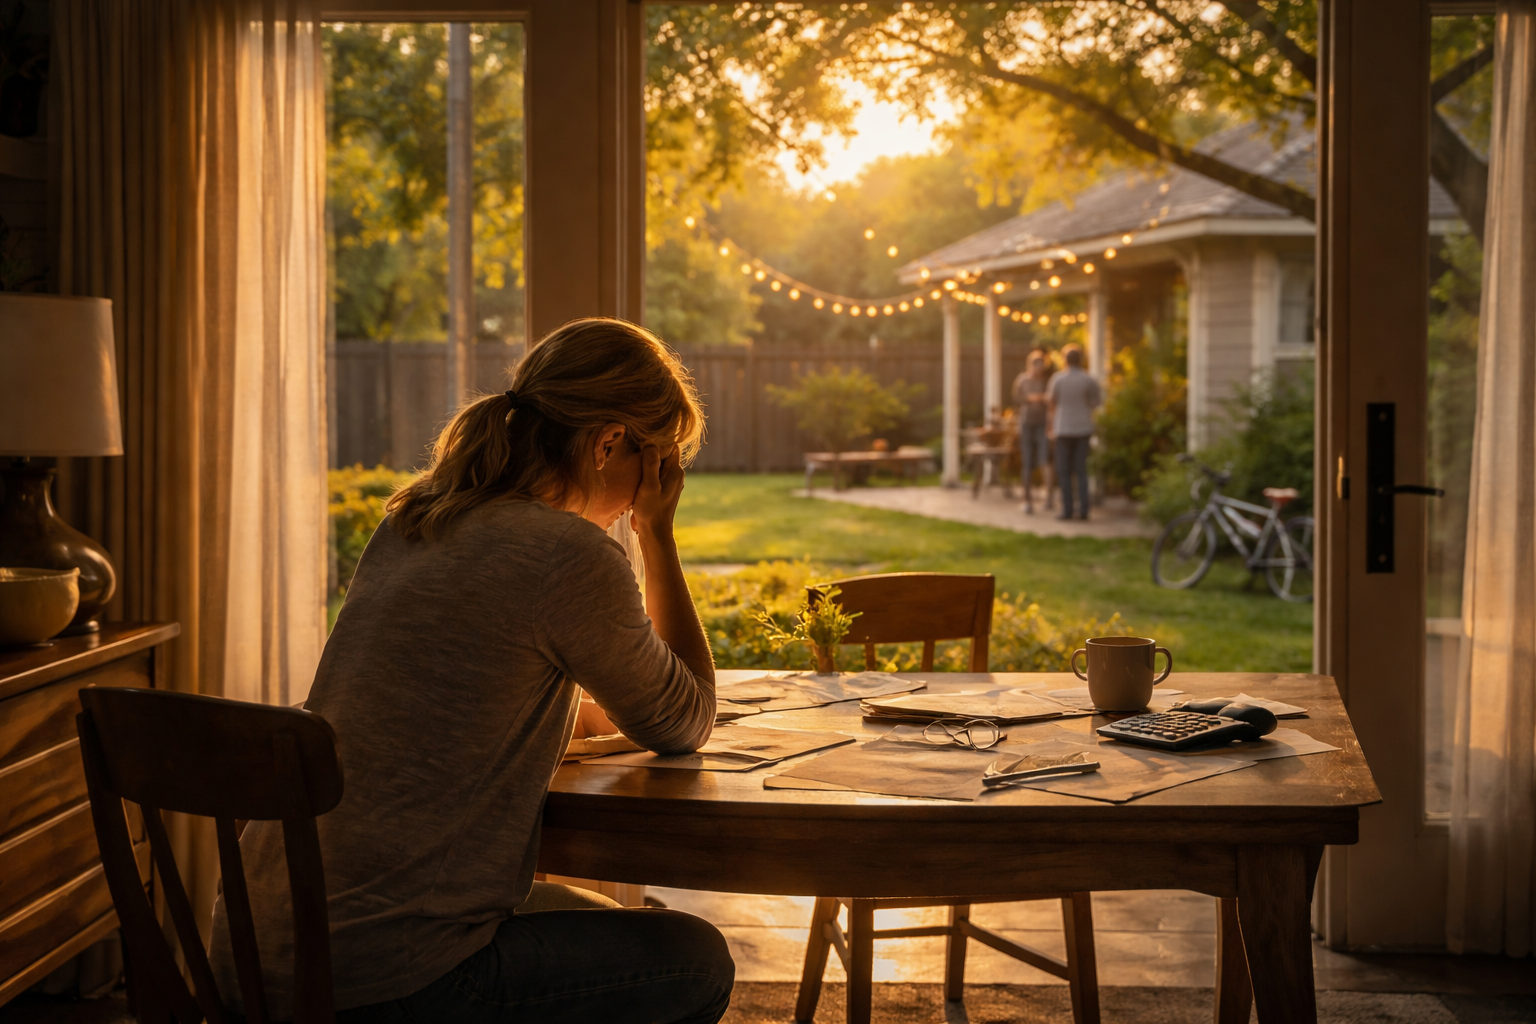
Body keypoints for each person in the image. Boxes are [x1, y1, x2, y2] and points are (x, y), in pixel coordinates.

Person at [209, 318, 734, 1024]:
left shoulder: (414, 521)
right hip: (381, 981)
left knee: (598, 918)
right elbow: (688, 720)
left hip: (262, 947)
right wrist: (656, 535)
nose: (660, 483)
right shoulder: (567, 555)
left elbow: (444, 693)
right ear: (611, 443)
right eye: (661, 461)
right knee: (693, 957)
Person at [1046, 345, 1102, 520]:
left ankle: (1067, 509)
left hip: (1063, 429)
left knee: (1063, 471)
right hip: (1083, 429)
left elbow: (1051, 403)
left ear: (1064, 360)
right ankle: (1084, 510)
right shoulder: (1088, 379)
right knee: (1081, 470)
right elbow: (1096, 403)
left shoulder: (1058, 379)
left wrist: (1050, 426)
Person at [1011, 351, 1053, 514]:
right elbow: (1017, 398)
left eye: (1042, 366)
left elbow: (1052, 401)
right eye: (1037, 365)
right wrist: (1030, 399)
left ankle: (1048, 496)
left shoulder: (1047, 382)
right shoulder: (1022, 380)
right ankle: (1027, 499)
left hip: (1043, 424)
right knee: (1027, 462)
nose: (1039, 369)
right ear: (1031, 365)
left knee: (1045, 460)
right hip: (1027, 424)